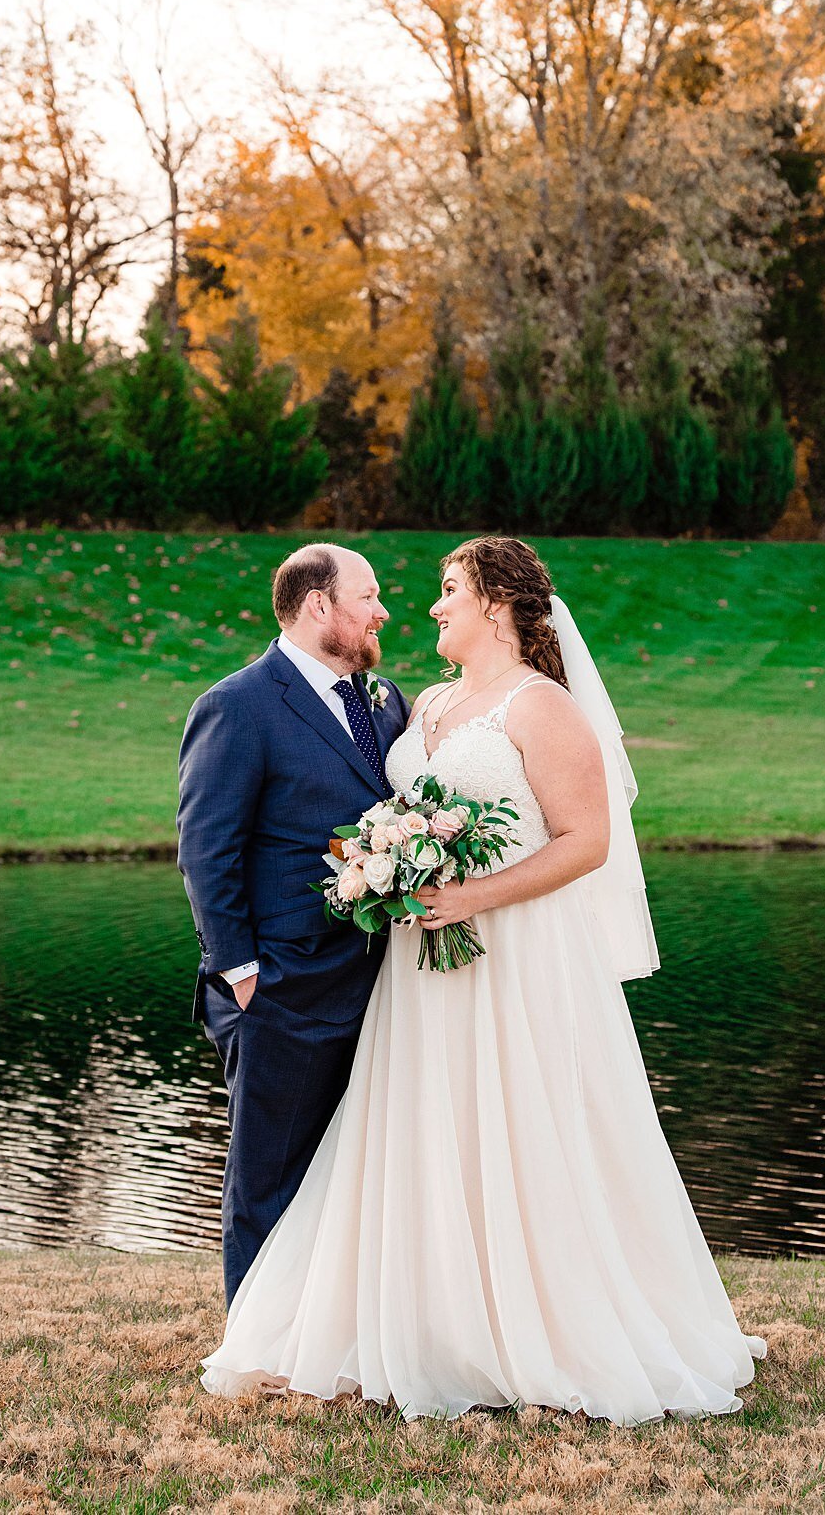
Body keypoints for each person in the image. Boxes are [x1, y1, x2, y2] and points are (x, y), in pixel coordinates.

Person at [198, 535, 766, 1422]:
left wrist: (474, 896)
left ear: (498, 604)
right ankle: (424, 1323)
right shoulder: (420, 706)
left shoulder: (542, 707)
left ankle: (535, 1327)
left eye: (448, 589)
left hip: (517, 963)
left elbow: (589, 842)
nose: (427, 607)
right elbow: (273, 832)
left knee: (525, 1134)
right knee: (424, 1140)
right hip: (416, 978)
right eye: (405, 593)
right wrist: (379, 871)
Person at [176, 543, 411, 1309]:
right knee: (269, 1176)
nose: (382, 612)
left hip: (381, 983)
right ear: (320, 606)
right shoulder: (238, 704)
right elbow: (207, 851)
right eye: (369, 596)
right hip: (282, 988)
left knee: (360, 1173)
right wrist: (242, 974)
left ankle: (337, 1329)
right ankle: (256, 1341)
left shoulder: (385, 701)